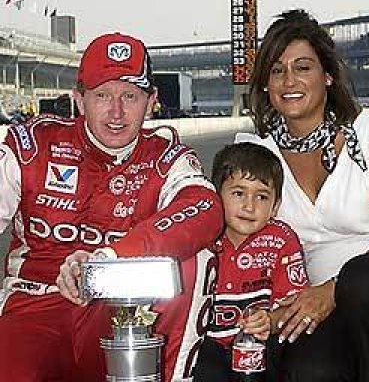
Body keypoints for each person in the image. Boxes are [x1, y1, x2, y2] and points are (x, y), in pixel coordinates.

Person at [0, 32, 223, 381]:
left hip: (121, 311)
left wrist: (107, 259)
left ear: (152, 102)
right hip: (34, 306)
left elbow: (204, 208)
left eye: (130, 96)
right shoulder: (30, 146)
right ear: (79, 99)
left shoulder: (165, 158)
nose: (116, 112)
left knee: (196, 258)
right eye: (102, 95)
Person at [236, 9, 369, 382]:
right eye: (277, 70)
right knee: (311, 367)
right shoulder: (257, 156)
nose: (289, 80)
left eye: (303, 67)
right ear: (266, 85)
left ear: (328, 76)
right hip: (312, 302)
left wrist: (333, 289)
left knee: (360, 280)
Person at [193, 142, 308, 382]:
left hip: (263, 345)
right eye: (238, 193)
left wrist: (270, 321)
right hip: (206, 347)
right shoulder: (197, 236)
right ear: (215, 195)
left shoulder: (281, 240)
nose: (249, 206)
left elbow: (294, 305)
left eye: (262, 197)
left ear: (275, 207)